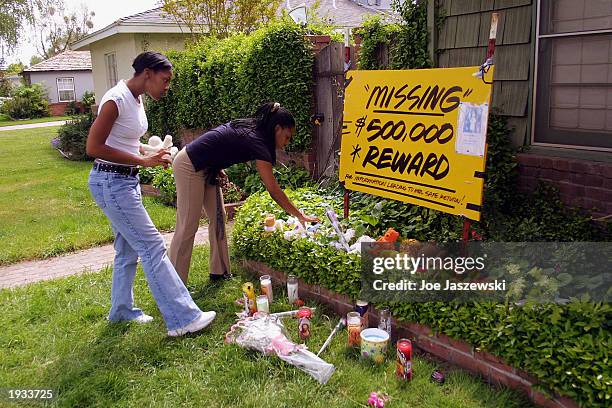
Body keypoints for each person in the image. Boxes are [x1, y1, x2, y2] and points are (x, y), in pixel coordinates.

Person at [86, 51, 215, 337]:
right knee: (153, 246)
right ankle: (183, 319)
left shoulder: (136, 98)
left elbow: (124, 140)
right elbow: (93, 147)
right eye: (165, 80)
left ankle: (122, 311)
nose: (167, 86)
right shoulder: (114, 100)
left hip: (122, 181)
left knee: (128, 249)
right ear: (147, 73)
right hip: (110, 181)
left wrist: (146, 151)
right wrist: (143, 161)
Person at [169, 102, 319, 284]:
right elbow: (273, 190)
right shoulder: (259, 142)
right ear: (277, 128)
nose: (287, 143)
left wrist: (217, 164)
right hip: (189, 165)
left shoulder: (254, 130)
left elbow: (222, 142)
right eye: (287, 137)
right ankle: (173, 287)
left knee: (218, 216)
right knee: (187, 226)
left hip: (208, 166)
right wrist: (299, 215)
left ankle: (219, 271)